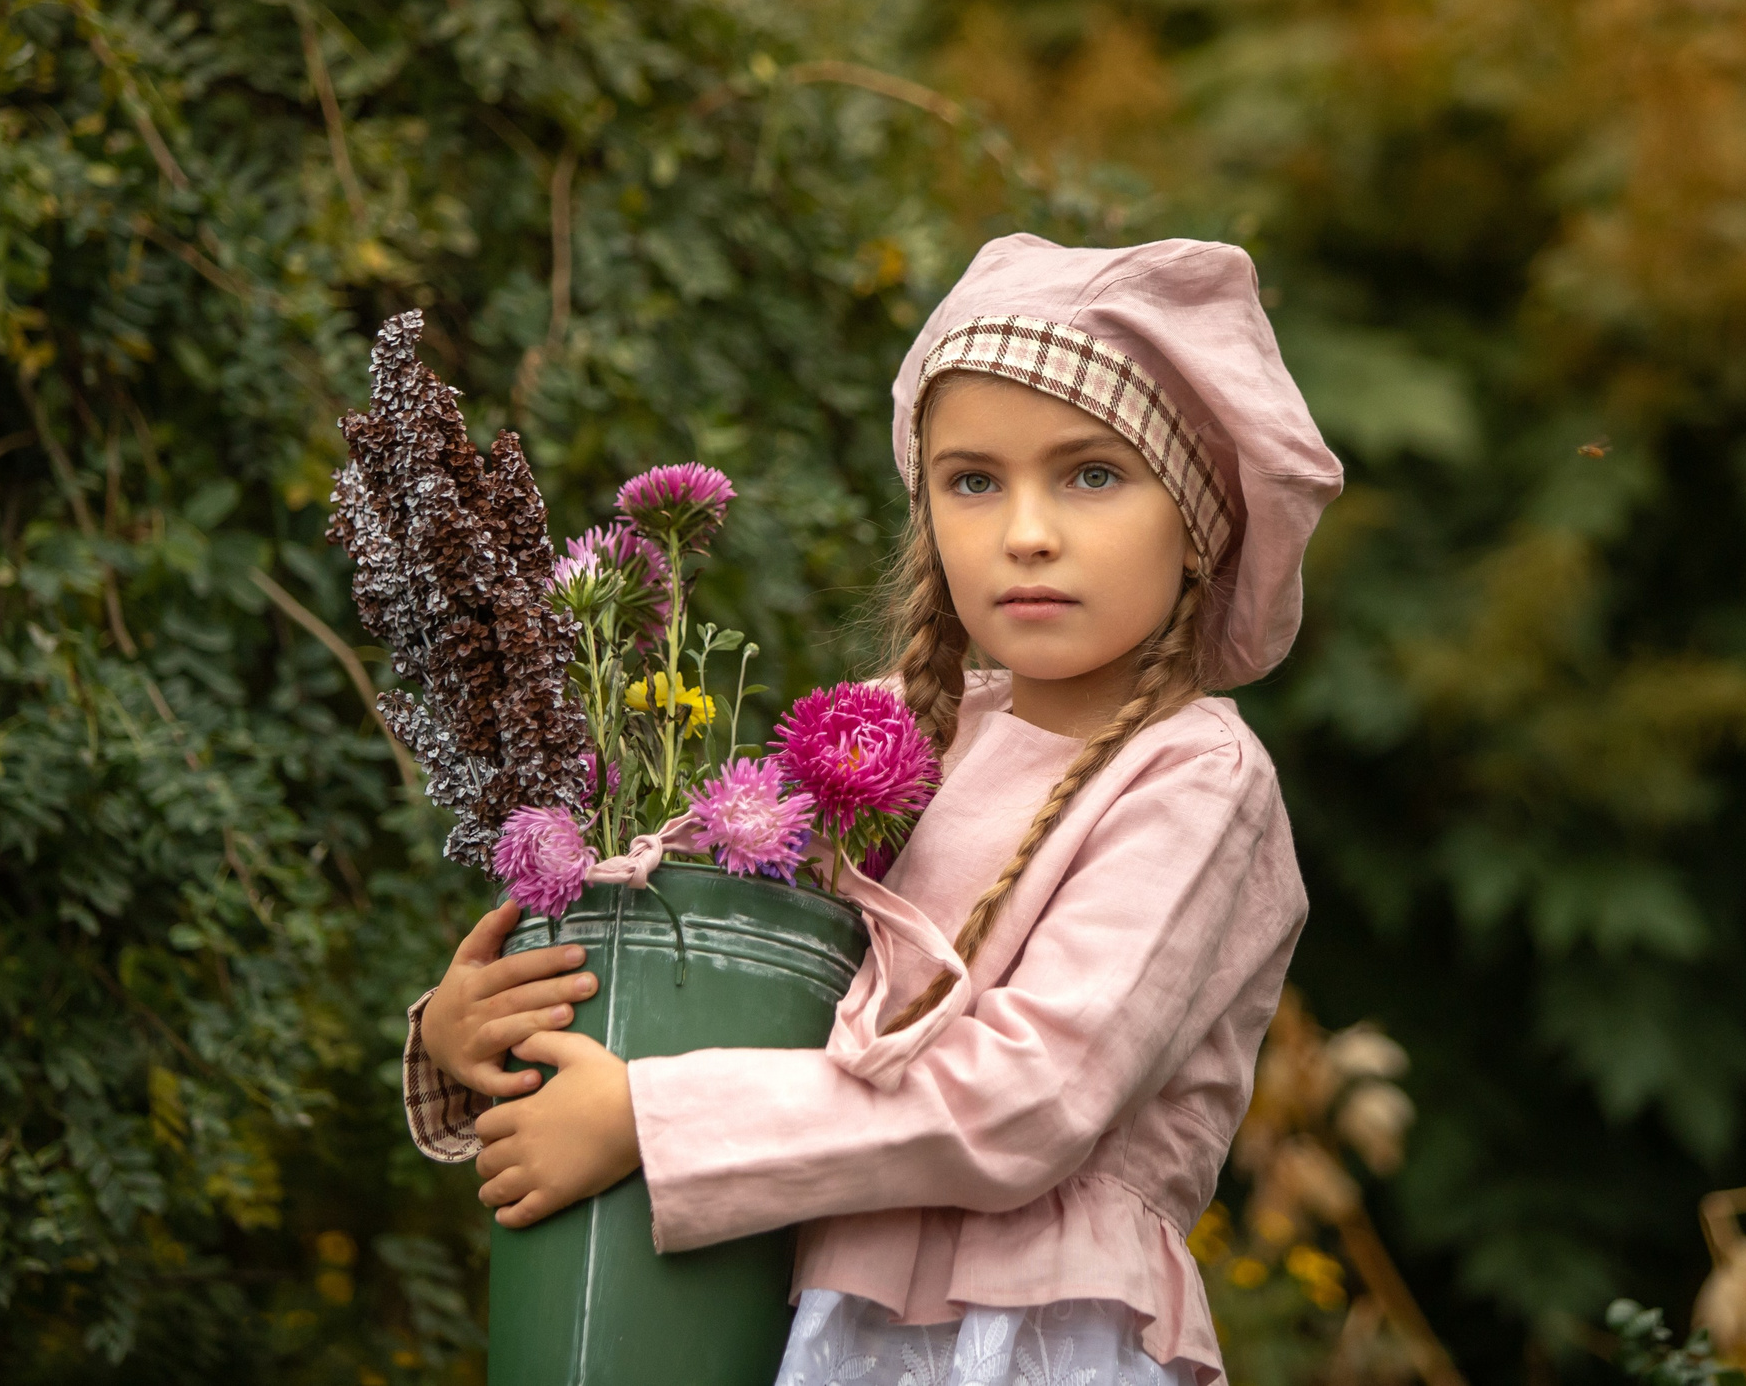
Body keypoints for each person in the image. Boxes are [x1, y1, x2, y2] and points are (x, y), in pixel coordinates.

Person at [401, 234, 1344, 1386]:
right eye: (973, 479)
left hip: (1026, 1340)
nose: (1027, 530)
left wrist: (652, 1118)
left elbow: (1028, 1101)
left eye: (1093, 474)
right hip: (809, 1322)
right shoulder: (897, 728)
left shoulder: (1193, 774)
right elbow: (711, 961)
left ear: (1197, 523)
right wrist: (472, 1037)